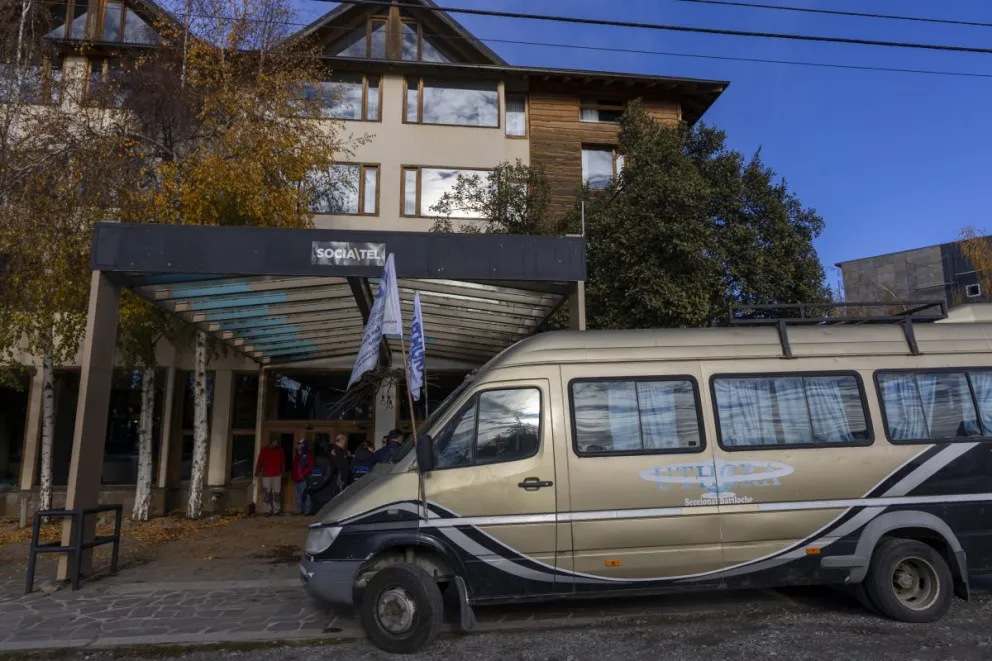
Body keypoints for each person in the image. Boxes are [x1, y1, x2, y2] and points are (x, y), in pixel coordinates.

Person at [255, 438, 286, 516]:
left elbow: (282, 462)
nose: (275, 444)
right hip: (266, 475)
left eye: (276, 442)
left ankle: (276, 510)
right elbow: (260, 461)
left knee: (277, 493)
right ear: (270, 442)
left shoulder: (280, 450)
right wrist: (257, 472)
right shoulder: (264, 450)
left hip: (277, 475)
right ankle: (267, 510)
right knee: (266, 493)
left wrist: (282, 472)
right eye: (274, 442)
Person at [291, 439, 314, 515]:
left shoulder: (308, 454)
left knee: (306, 495)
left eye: (300, 444)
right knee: (298, 495)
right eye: (298, 444)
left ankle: (307, 510)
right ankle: (299, 509)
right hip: (297, 478)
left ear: (304, 445)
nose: (298, 445)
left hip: (304, 478)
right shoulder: (297, 455)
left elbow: (310, 467)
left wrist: (303, 474)